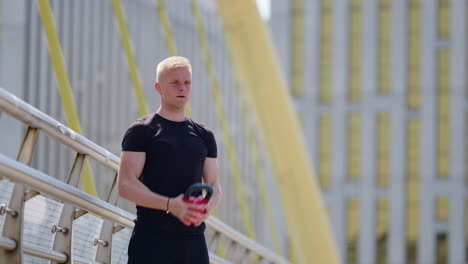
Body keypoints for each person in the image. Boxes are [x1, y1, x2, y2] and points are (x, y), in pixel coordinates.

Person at [118, 56, 222, 264]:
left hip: (194, 242)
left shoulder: (204, 135)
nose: (182, 88)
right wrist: (170, 205)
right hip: (152, 240)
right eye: (175, 82)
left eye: (187, 83)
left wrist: (205, 208)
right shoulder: (142, 131)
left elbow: (214, 187)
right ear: (159, 87)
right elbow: (126, 185)